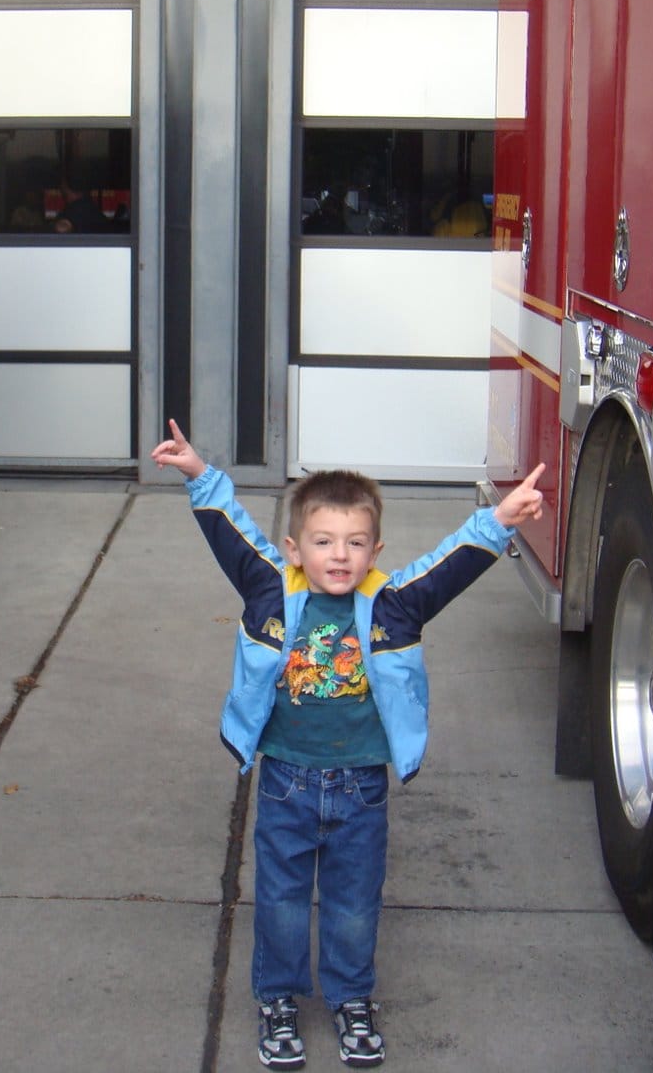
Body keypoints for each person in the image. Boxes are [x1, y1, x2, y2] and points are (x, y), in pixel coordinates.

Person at [150, 419, 544, 1069]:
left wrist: (499, 518)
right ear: (295, 547)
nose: (339, 555)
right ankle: (277, 998)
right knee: (278, 900)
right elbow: (230, 532)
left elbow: (450, 566)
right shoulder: (270, 589)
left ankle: (352, 997)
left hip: (361, 787)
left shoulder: (393, 606)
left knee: (355, 902)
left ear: (375, 550)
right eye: (324, 541)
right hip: (285, 782)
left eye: (355, 543)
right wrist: (199, 472)